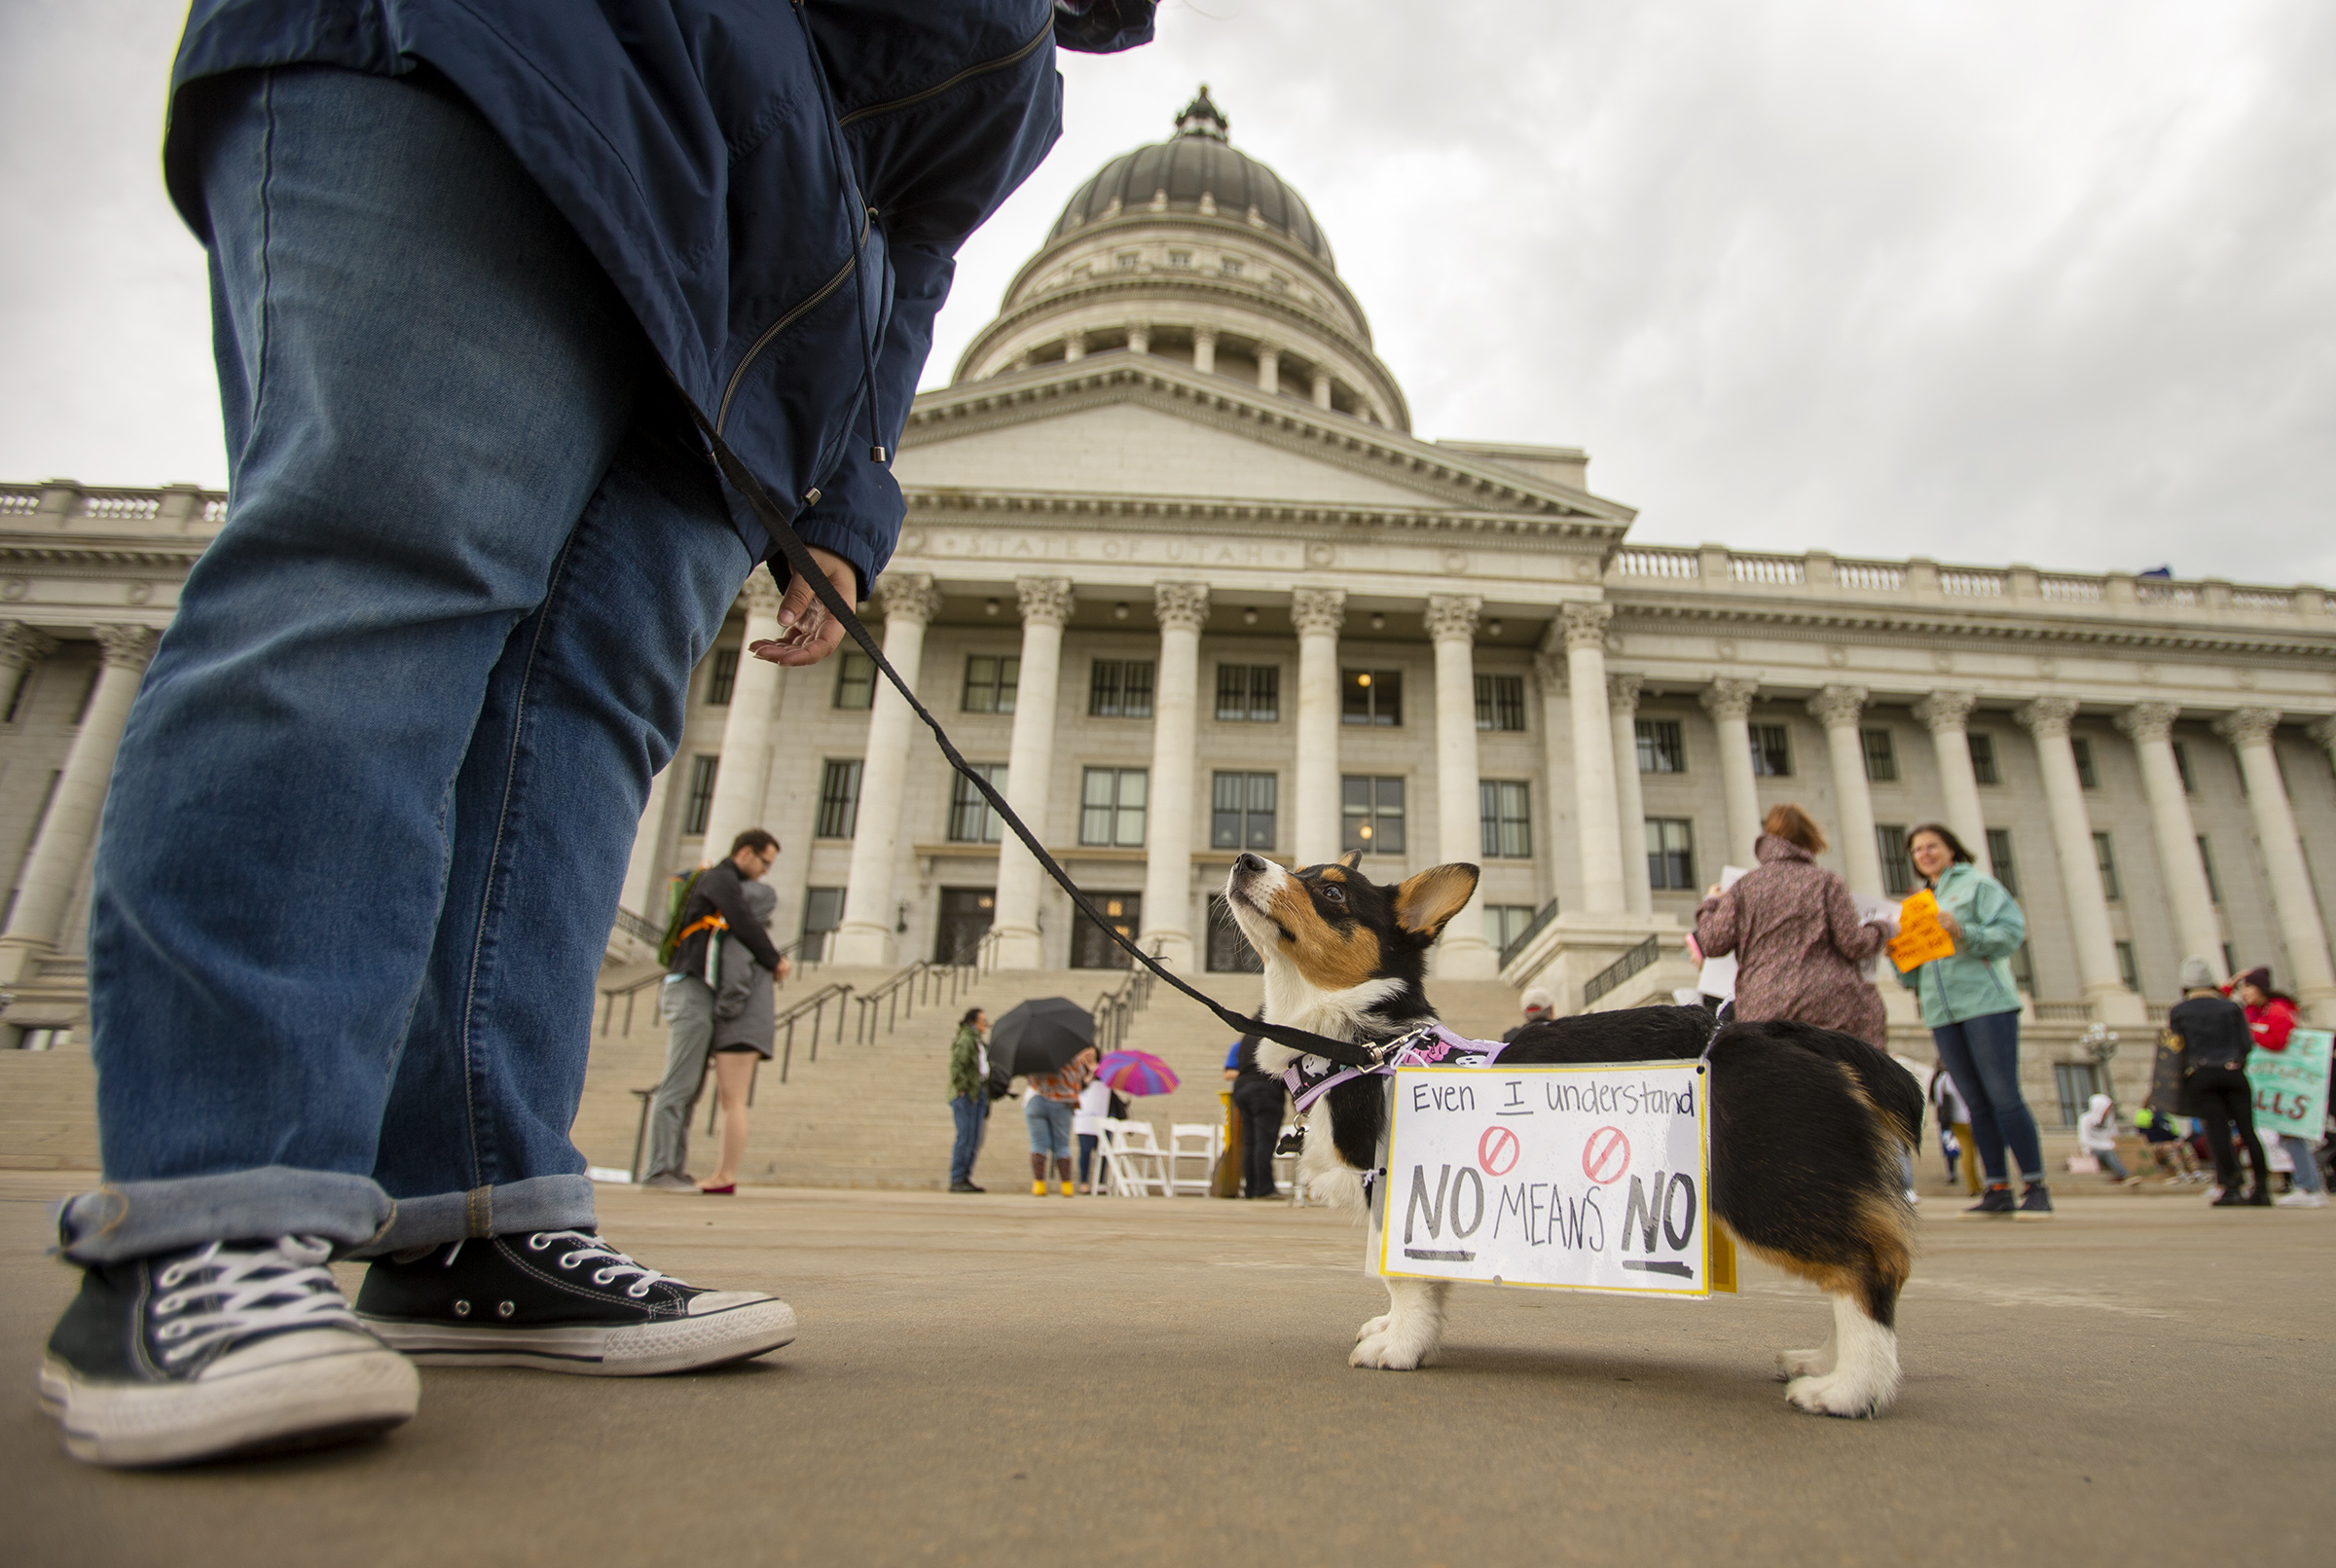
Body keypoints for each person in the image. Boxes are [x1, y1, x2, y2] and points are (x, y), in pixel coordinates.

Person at [41, 1, 1156, 1469]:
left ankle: (477, 1219)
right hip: (507, 65)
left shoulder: (1021, 58)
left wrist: (841, 506)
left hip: (737, 326)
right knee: (376, 583)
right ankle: (209, 1216)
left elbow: (906, 251)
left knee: (584, 721)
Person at [1895, 823, 2054, 1218]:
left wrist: (1964, 930)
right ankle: (1996, 1187)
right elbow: (1911, 975)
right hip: (1941, 1011)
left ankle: (2035, 1185)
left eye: (1932, 846)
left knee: (2003, 1095)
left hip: (1986, 1004)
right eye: (1917, 850)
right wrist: (1896, 952)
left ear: (1951, 850)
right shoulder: (1918, 903)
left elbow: (2010, 933)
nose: (1925, 854)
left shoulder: (1977, 886)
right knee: (1975, 1104)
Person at [642, 831, 787, 1190]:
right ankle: (659, 1169)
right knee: (678, 1083)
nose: (764, 872)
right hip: (690, 987)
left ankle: (673, 1167)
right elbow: (742, 921)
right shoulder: (719, 878)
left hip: (699, 990)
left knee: (690, 1086)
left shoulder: (723, 881)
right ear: (744, 852)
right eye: (764, 862)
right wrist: (774, 960)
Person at [1693, 805, 1892, 1047]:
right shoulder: (1827, 881)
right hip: (1826, 1004)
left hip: (1762, 1004)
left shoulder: (1744, 887)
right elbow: (1855, 943)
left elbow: (1713, 942)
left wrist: (1710, 904)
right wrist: (1883, 927)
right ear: (1808, 839)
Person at [697, 879, 780, 1194]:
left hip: (739, 1027)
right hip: (752, 1027)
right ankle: (723, 1173)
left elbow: (735, 984)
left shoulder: (738, 939)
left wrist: (719, 1014)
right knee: (734, 1101)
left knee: (732, 1102)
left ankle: (725, 1174)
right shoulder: (760, 937)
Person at [2169, 956, 2272, 1207]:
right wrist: (2236, 1064)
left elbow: (2176, 1049)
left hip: (2201, 1075)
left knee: (2218, 1133)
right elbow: (2246, 1044)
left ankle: (2232, 1187)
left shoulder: (2179, 1011)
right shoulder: (2230, 1007)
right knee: (2248, 1131)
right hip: (2233, 1072)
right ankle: (2261, 1189)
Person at [2229, 966, 2329, 1208]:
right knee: (2285, 1136)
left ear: (2261, 988)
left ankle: (2309, 1187)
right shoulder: (2256, 1011)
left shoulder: (2278, 1010)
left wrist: (2252, 1035)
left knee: (2292, 1135)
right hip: (2275, 1084)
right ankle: (2305, 1185)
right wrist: (2232, 982)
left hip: (2287, 1084)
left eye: (2248, 987)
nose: (2244, 993)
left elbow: (2278, 1041)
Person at [1023, 1047, 1095, 1197]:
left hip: (1036, 1100)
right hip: (1062, 1103)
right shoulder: (1072, 1057)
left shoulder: (1037, 1056)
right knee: (1062, 1145)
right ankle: (1066, 1186)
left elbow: (1030, 1078)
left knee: (1038, 1144)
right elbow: (1079, 1079)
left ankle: (1039, 1185)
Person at [1226, 1035, 1289, 1199]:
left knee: (1250, 1142)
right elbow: (1282, 1067)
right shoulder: (1270, 1034)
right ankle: (1264, 1189)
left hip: (1242, 1090)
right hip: (1265, 1090)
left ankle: (1251, 1188)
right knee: (1264, 1141)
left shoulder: (1245, 1038)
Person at [948, 1008, 991, 1194]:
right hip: (967, 1093)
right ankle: (957, 1177)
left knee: (974, 1137)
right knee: (965, 1136)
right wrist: (961, 1086)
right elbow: (957, 1064)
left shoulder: (978, 1041)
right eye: (982, 1020)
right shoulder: (966, 1039)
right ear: (972, 1022)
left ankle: (965, 1175)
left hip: (978, 1091)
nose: (986, 1024)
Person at [1929, 1065, 1980, 1194]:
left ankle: (1973, 1185)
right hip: (1972, 1116)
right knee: (1971, 1152)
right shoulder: (1968, 1075)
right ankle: (1979, 1183)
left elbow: (1938, 1100)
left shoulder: (1943, 1079)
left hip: (1956, 1119)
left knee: (1966, 1151)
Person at [2076, 1093, 2135, 1184]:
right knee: (2108, 1153)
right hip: (2093, 1150)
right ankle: (2124, 1175)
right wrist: (2107, 1145)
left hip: (2110, 1147)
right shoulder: (2085, 1119)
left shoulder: (2109, 1121)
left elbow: (2114, 1136)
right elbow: (2085, 1140)